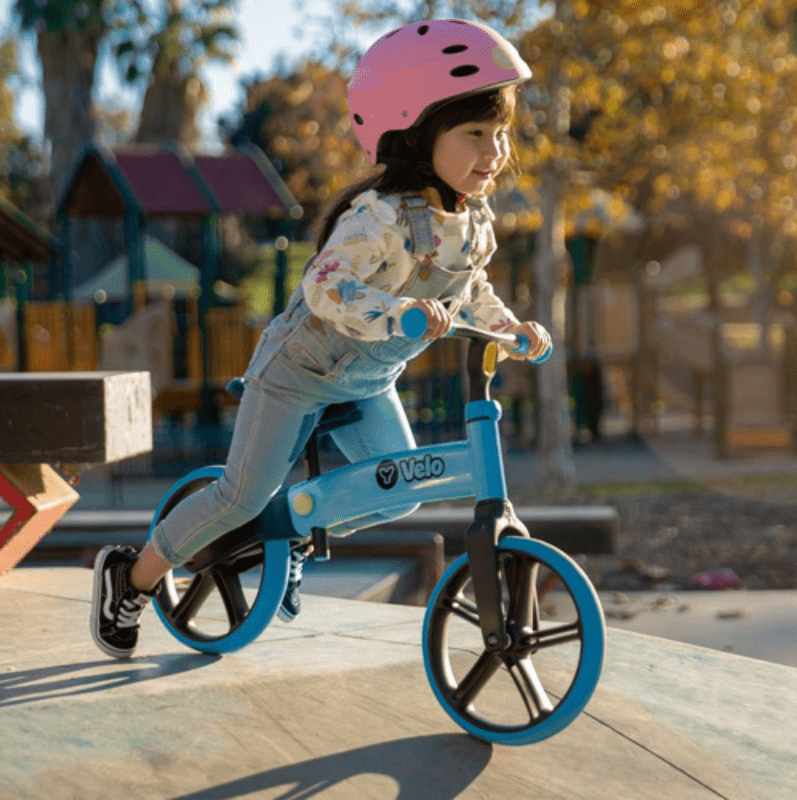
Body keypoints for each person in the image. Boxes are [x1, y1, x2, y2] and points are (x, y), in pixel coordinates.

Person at [90, 18, 552, 659]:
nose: (495, 150)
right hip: (297, 372)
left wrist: (512, 329)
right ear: (415, 131)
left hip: (368, 381)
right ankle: (132, 576)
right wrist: (398, 315)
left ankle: (293, 530)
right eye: (475, 132)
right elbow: (325, 289)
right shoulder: (379, 217)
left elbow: (471, 294)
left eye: (500, 133)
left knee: (399, 493)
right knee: (240, 494)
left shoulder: (471, 222)